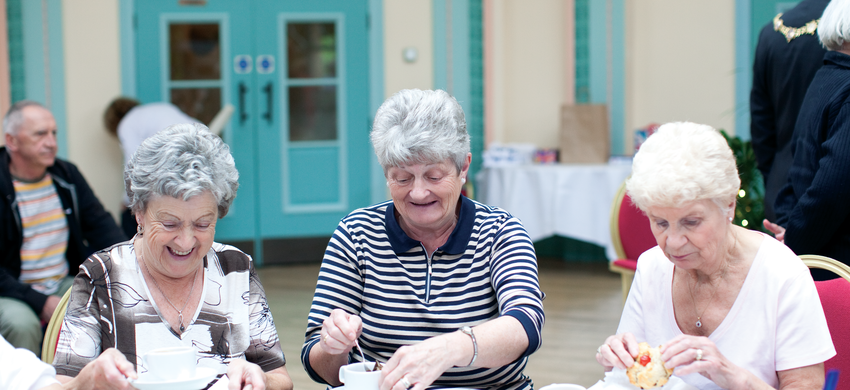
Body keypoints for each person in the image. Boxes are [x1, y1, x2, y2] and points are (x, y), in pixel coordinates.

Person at [301, 89, 545, 390]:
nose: (417, 192)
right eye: (402, 178)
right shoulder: (356, 234)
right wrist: (331, 345)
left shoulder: (500, 232)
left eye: (433, 176)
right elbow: (319, 365)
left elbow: (526, 325)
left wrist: (450, 349)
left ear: (464, 167)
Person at [52, 124, 293, 390]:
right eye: (170, 224)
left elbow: (281, 379)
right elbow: (61, 385)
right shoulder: (103, 275)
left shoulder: (235, 268)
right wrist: (87, 382)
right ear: (139, 213)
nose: (186, 241)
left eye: (202, 224)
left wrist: (262, 379)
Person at [596, 122, 834, 390]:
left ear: (729, 204)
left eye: (692, 222)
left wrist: (733, 376)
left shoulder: (782, 274)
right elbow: (635, 375)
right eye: (660, 223)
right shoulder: (652, 266)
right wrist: (620, 357)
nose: (673, 242)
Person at [0, 100, 126, 354]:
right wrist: (40, 301)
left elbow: (101, 227)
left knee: (114, 302)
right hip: (10, 288)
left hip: (61, 280)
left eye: (53, 133)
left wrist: (130, 265)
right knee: (22, 325)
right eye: (40, 134)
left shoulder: (66, 175)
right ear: (11, 141)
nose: (50, 142)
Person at [767, 0, 850, 269]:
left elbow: (799, 166)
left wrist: (790, 227)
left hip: (814, 249)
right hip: (836, 261)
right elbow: (832, 188)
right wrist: (794, 240)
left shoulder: (825, 75)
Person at [750, 0, 829, 222]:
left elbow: (761, 127)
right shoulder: (841, 32)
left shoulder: (770, 32)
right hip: (831, 190)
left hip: (781, 188)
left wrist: (775, 176)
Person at [103, 98, 198, 239]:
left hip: (173, 162)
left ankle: (134, 255)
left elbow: (133, 164)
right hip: (197, 157)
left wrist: (127, 202)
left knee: (131, 216)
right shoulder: (160, 109)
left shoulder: (126, 124)